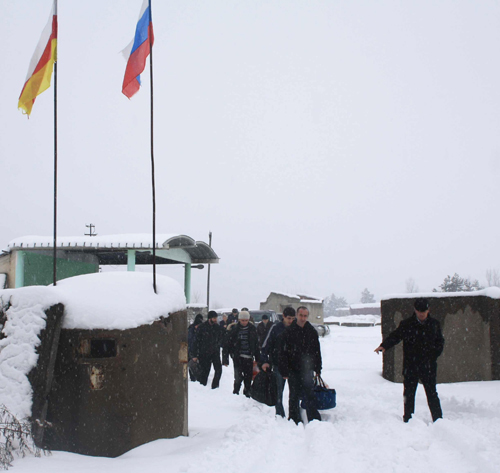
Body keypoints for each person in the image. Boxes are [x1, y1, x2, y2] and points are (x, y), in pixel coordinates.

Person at [374, 298, 444, 423]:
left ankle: (438, 420)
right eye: (419, 311)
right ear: (415, 310)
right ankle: (408, 419)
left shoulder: (434, 324)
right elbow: (396, 336)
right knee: (409, 394)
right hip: (411, 365)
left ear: (428, 310)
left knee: (432, 394)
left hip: (428, 366)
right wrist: (384, 346)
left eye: (424, 311)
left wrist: (432, 356)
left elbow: (440, 343)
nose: (421, 314)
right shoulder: (407, 324)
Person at [279, 306, 322, 424]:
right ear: (297, 315)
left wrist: (318, 368)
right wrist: (284, 369)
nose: (303, 318)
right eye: (301, 315)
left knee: (309, 394)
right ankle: (294, 419)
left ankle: (313, 419)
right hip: (293, 369)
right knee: (294, 395)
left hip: (307, 369)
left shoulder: (311, 331)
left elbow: (317, 351)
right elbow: (282, 352)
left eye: (305, 316)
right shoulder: (288, 331)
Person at [261, 306, 296, 418]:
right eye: (289, 318)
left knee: (295, 394)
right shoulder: (276, 328)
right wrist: (265, 361)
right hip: (278, 365)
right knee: (278, 392)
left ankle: (294, 416)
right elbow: (266, 346)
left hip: (294, 366)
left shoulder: (297, 328)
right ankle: (280, 415)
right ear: (283, 317)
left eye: (293, 318)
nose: (290, 321)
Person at [222, 310, 260, 397]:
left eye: (246, 320)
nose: (244, 322)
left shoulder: (252, 329)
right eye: (242, 320)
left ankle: (247, 393)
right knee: (238, 377)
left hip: (249, 357)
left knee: (248, 377)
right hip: (238, 357)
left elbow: (256, 344)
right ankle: (236, 393)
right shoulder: (234, 329)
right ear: (239, 320)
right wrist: (225, 359)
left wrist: (258, 358)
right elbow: (227, 344)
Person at [193, 311, 225, 389]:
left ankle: (215, 387)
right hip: (204, 353)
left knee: (218, 370)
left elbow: (222, 338)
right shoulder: (202, 327)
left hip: (215, 353)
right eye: (214, 318)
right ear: (209, 318)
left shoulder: (217, 328)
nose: (215, 320)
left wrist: (218, 345)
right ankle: (202, 388)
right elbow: (196, 341)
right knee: (205, 372)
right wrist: (195, 354)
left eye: (216, 318)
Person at [188, 313, 204, 381]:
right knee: (192, 364)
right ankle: (193, 378)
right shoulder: (191, 330)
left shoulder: (200, 330)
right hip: (191, 350)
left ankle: (197, 377)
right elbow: (190, 340)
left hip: (198, 350)